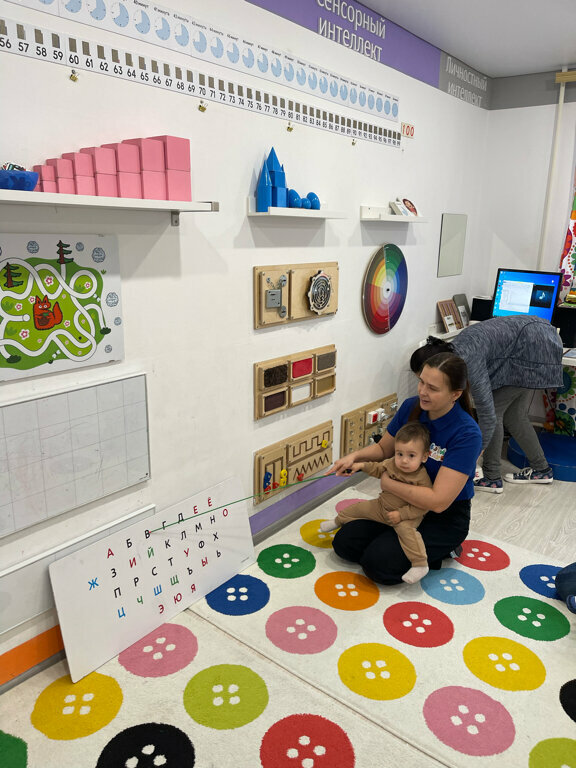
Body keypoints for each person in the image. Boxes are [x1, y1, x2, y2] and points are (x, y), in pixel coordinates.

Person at [331, 352, 482, 585]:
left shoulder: (467, 433)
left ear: (455, 394)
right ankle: (393, 540)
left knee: (378, 565)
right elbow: (384, 449)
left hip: (442, 516)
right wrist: (354, 457)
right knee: (344, 544)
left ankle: (446, 548)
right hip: (398, 505)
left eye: (433, 388)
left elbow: (438, 502)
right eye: (421, 382)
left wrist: (388, 483)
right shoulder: (412, 407)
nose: (423, 391)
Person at [410, 316, 563, 494]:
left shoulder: (468, 362)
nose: (423, 389)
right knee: (515, 415)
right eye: (421, 381)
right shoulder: (454, 350)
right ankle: (541, 469)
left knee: (494, 412)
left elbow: (488, 417)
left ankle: (492, 477)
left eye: (428, 382)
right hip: (537, 337)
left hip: (536, 347)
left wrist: (471, 455)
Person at [320, 422, 433, 584]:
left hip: (405, 517)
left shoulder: (422, 479)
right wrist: (360, 465)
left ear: (424, 457)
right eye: (399, 454)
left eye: (411, 456)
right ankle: (337, 521)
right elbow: (377, 468)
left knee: (408, 534)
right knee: (358, 508)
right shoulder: (392, 463)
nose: (404, 460)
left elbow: (423, 506)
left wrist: (401, 515)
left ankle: (420, 564)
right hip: (381, 507)